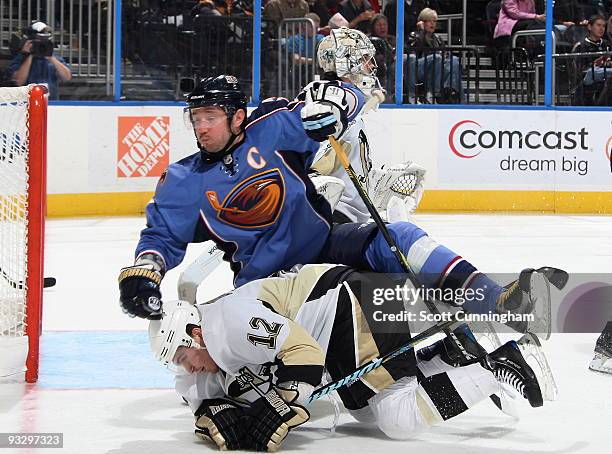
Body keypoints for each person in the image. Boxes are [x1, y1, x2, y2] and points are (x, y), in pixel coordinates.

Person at [148, 264, 555, 450]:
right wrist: (211, 412)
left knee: (397, 419)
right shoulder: (203, 351)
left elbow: (303, 352)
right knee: (365, 413)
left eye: (184, 356)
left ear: (196, 332)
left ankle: (500, 366)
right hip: (346, 312)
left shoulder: (234, 322)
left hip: (352, 305)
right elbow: (197, 393)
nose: (186, 366)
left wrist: (282, 404)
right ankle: (445, 356)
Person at [405, 8, 464, 103]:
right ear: (422, 22)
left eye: (434, 21)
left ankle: (452, 93)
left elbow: (445, 55)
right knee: (437, 57)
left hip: (437, 70)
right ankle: (433, 93)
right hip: (419, 68)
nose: (432, 24)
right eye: (429, 21)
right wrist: (421, 32)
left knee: (454, 60)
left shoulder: (438, 39)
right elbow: (413, 52)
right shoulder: (414, 35)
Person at [8, 21, 71, 100]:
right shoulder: (21, 58)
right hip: (26, 103)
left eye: (44, 40)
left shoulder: (55, 57)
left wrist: (51, 58)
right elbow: (18, 82)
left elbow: (67, 78)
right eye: (39, 40)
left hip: (51, 104)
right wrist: (30, 55)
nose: (41, 44)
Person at [571, 14, 612, 103]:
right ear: (589, 27)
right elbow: (578, 71)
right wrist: (594, 64)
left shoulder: (607, 44)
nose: (602, 29)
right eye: (598, 25)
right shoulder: (580, 46)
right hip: (587, 80)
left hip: (606, 76)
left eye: (604, 26)